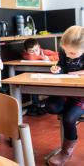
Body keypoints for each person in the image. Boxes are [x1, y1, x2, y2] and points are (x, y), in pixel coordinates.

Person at [46, 25, 84, 166]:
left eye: (72, 53)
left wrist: (77, 73)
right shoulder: (65, 50)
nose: (68, 55)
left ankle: (66, 152)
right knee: (50, 106)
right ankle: (70, 111)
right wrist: (57, 69)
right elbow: (62, 65)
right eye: (66, 51)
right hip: (66, 91)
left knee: (68, 119)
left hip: (81, 95)